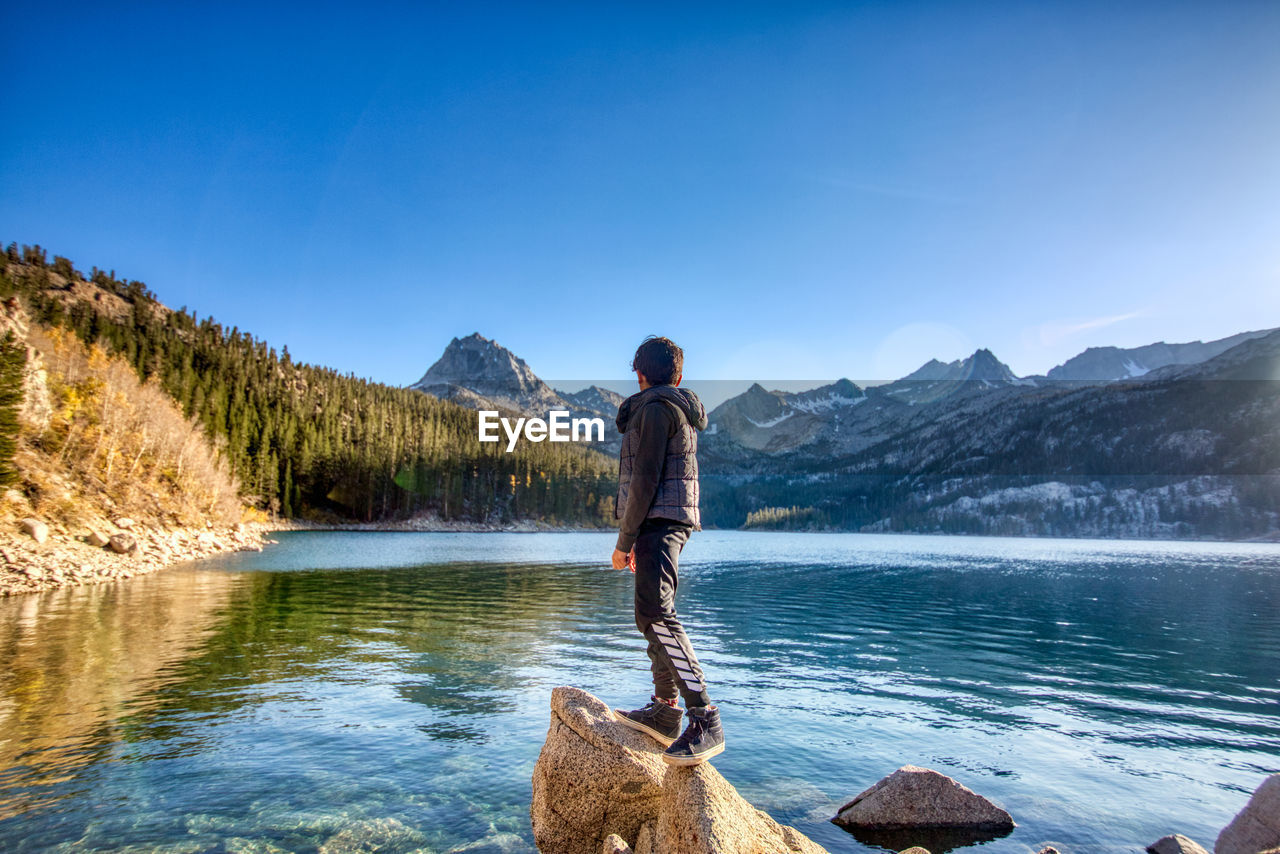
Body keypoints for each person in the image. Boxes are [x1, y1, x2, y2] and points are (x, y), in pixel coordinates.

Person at [610, 335, 724, 766]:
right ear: (678, 375)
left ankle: (704, 717)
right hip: (660, 523)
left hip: (659, 521)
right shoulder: (667, 407)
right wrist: (638, 535)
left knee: (657, 614)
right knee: (651, 614)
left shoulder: (656, 409)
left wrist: (625, 541)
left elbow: (645, 481)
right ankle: (664, 710)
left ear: (639, 375)